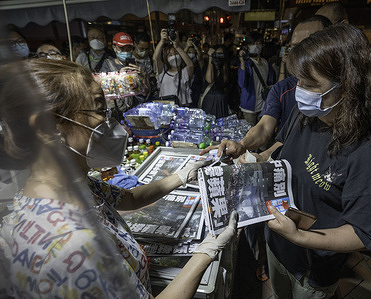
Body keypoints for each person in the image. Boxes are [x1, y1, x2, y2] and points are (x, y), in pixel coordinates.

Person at [0, 59, 237, 298]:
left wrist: (181, 176)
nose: (109, 123)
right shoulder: (74, 247)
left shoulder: (66, 185)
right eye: (98, 110)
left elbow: (130, 198)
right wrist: (205, 253)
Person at [259, 23, 371, 298]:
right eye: (299, 81)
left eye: (311, 85)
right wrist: (253, 159)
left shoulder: (369, 152)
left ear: (348, 87)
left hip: (312, 265)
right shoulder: (307, 115)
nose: (300, 92)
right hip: (277, 245)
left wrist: (299, 237)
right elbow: (282, 145)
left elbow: (361, 233)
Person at [200, 16, 332, 161]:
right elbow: (266, 129)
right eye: (295, 47)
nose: (301, 53)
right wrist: (243, 146)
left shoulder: (344, 97)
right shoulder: (283, 89)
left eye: (309, 44)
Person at [238, 31, 275, 125]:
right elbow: (242, 83)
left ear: (262, 45)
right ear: (247, 47)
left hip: (264, 106)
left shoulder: (266, 63)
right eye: (252, 44)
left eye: (258, 43)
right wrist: (242, 61)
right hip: (249, 107)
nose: (256, 46)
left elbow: (271, 82)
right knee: (250, 134)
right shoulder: (246, 64)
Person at [153, 29, 194, 106]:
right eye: (170, 55)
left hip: (182, 108)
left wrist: (177, 47)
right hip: (165, 108)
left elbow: (190, 65)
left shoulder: (185, 72)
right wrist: (162, 41)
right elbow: (155, 58)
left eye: (175, 53)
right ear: (166, 58)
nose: (174, 56)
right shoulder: (162, 72)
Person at [200, 45, 230, 119]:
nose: (218, 57)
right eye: (216, 54)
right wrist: (210, 58)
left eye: (220, 54)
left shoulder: (226, 68)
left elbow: (226, 82)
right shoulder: (207, 67)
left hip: (221, 101)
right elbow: (209, 80)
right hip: (209, 100)